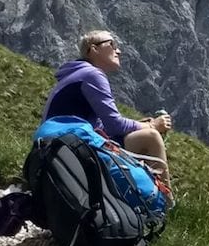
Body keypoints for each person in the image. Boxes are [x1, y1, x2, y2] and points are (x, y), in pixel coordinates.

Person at [43, 30, 173, 185]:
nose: (118, 50)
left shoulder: (78, 73)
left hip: (55, 149)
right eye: (112, 44)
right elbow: (114, 125)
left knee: (143, 133)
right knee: (151, 137)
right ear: (93, 49)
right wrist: (152, 125)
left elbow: (100, 127)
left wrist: (138, 125)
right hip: (72, 151)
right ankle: (165, 204)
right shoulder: (93, 75)